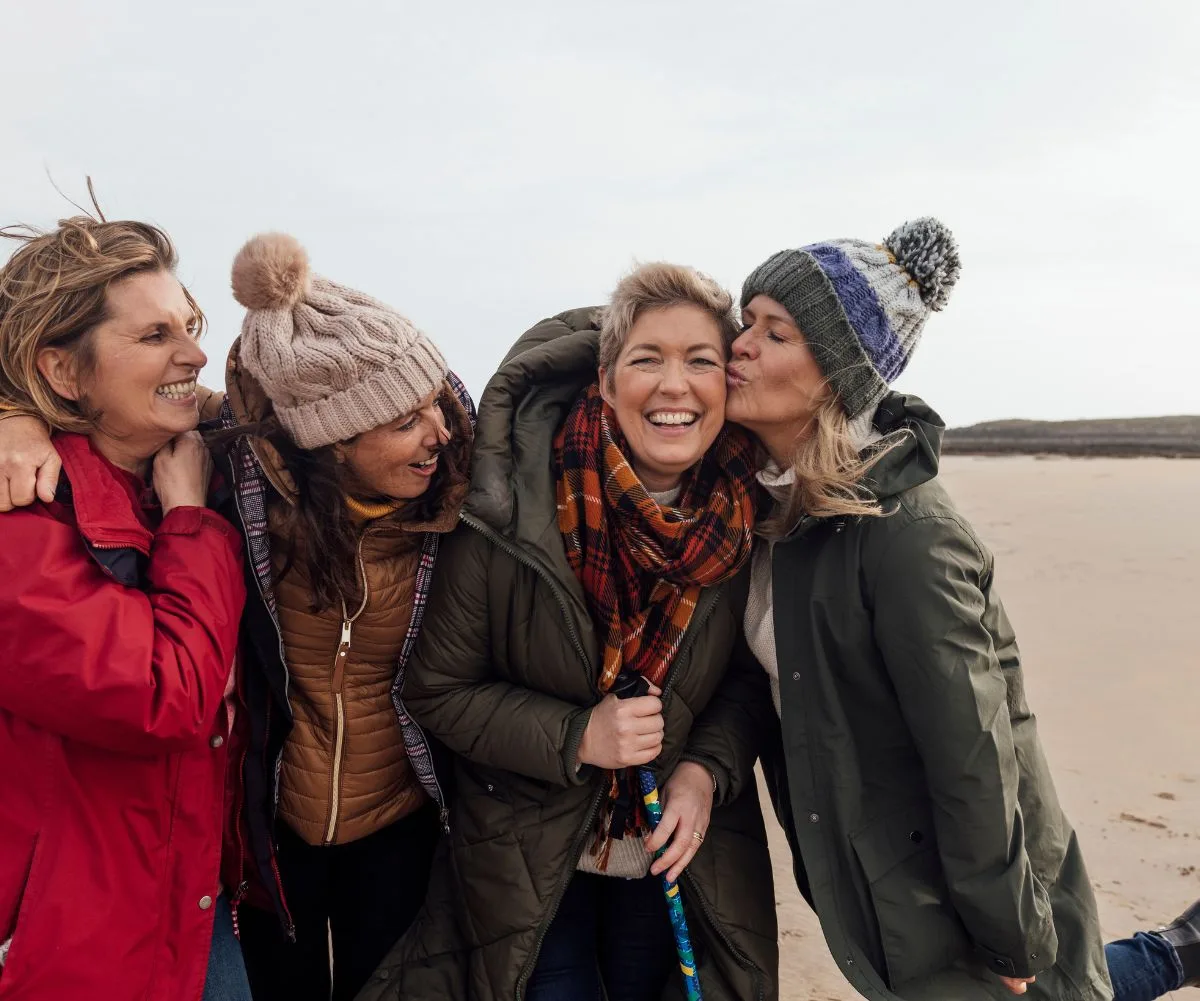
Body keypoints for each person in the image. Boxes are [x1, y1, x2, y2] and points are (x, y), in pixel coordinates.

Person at [724, 216, 1198, 1001]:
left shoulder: (906, 534)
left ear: (838, 373)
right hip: (888, 881)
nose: (742, 344)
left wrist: (1008, 932)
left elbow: (974, 752)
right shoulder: (782, 513)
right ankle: (1177, 952)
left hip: (971, 899)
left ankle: (1170, 953)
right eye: (746, 322)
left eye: (775, 331)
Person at [359, 263, 779, 1001]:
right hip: (528, 859)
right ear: (608, 380)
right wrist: (577, 735)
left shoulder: (746, 512)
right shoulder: (507, 509)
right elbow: (437, 688)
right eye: (647, 359)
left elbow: (747, 678)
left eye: (701, 360)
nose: (675, 384)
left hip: (673, 852)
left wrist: (705, 771)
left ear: (728, 386)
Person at [205, 233, 475, 1001]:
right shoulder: (238, 497)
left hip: (401, 821)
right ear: (334, 442)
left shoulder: (459, 505)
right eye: (405, 422)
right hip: (274, 831)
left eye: (435, 406)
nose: (441, 434)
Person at [0, 214, 248, 999]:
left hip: (197, 921)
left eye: (191, 325)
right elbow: (161, 696)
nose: (196, 353)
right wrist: (189, 527)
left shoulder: (203, 473)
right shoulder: (20, 519)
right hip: (70, 949)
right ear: (65, 373)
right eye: (153, 336)